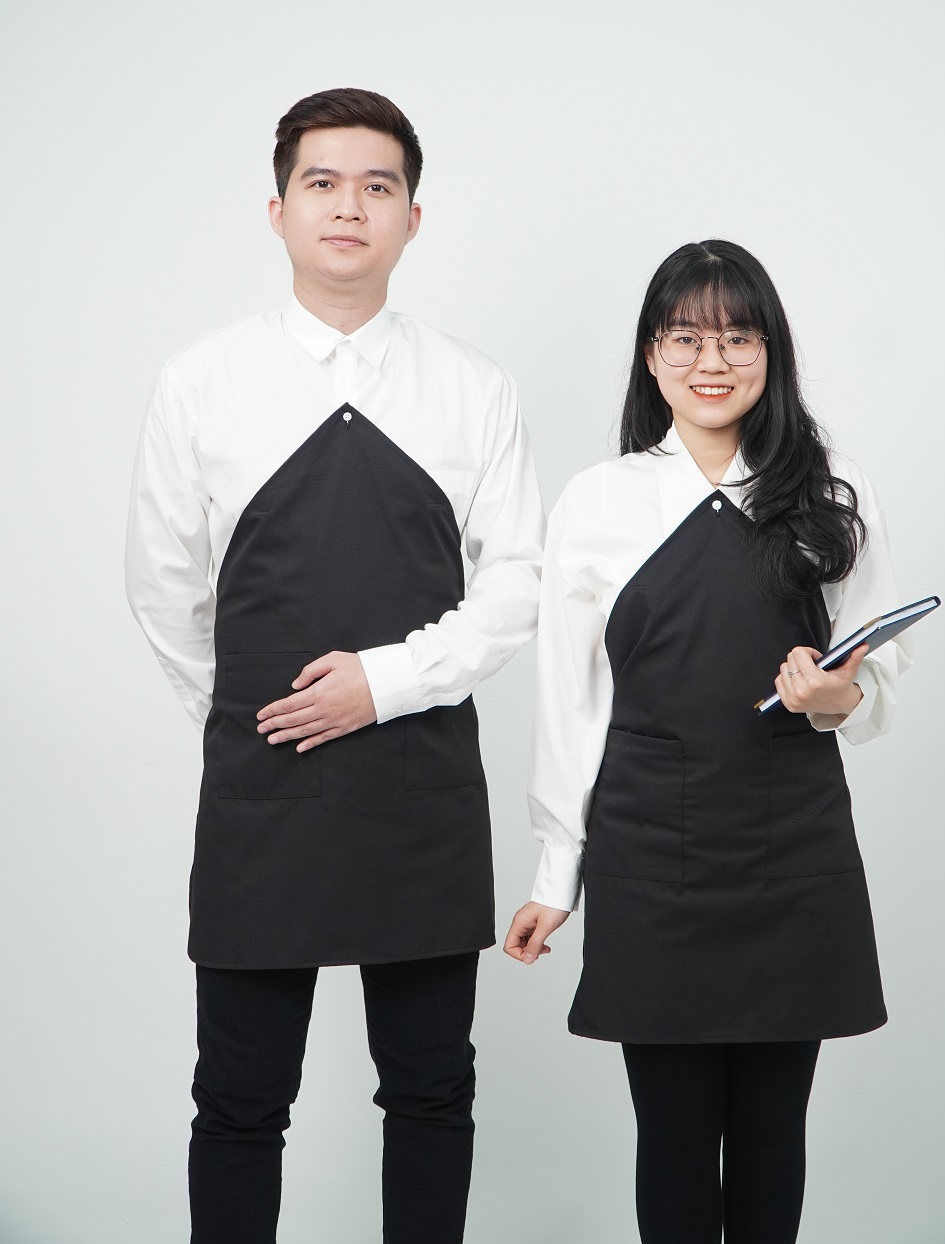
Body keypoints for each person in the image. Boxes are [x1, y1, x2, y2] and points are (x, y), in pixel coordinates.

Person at [126, 87, 545, 1244]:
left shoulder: (473, 385)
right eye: (322, 182)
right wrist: (251, 718)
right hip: (261, 795)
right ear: (278, 211)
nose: (348, 206)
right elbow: (163, 588)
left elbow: (517, 583)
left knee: (431, 1087)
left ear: (413, 216)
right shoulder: (201, 380)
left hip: (422, 790)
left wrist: (384, 682)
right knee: (239, 1096)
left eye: (376, 185)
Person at [504, 239, 913, 1243]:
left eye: (738, 337)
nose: (712, 360)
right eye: (685, 337)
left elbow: (878, 682)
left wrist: (835, 695)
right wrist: (556, 874)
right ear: (651, 356)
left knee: (773, 1133)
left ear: (771, 352)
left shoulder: (831, 489)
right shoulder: (598, 501)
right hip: (650, 853)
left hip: (794, 846)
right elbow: (570, 702)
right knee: (675, 1136)